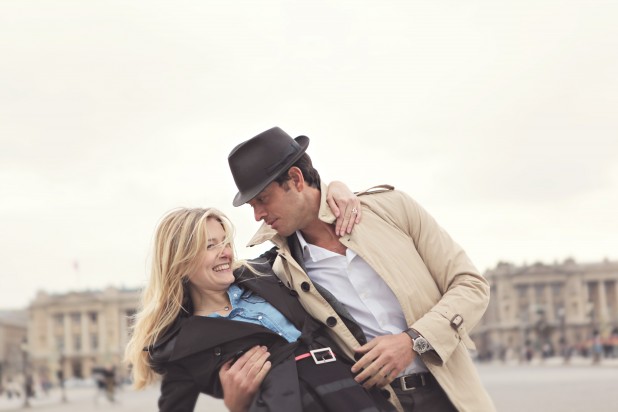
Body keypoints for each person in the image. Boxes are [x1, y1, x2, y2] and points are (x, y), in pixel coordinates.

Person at [226, 126, 496, 412]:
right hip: (377, 404)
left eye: (263, 199)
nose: (258, 215)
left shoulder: (392, 209)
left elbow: (471, 285)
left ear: (295, 179)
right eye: (252, 206)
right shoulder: (279, 269)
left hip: (452, 396)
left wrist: (413, 341)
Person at [124, 203, 395, 412]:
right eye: (210, 246)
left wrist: (336, 190)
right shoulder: (182, 349)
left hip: (355, 393)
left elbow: (304, 223)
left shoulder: (267, 272)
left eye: (225, 242)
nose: (226, 252)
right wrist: (236, 405)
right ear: (180, 263)